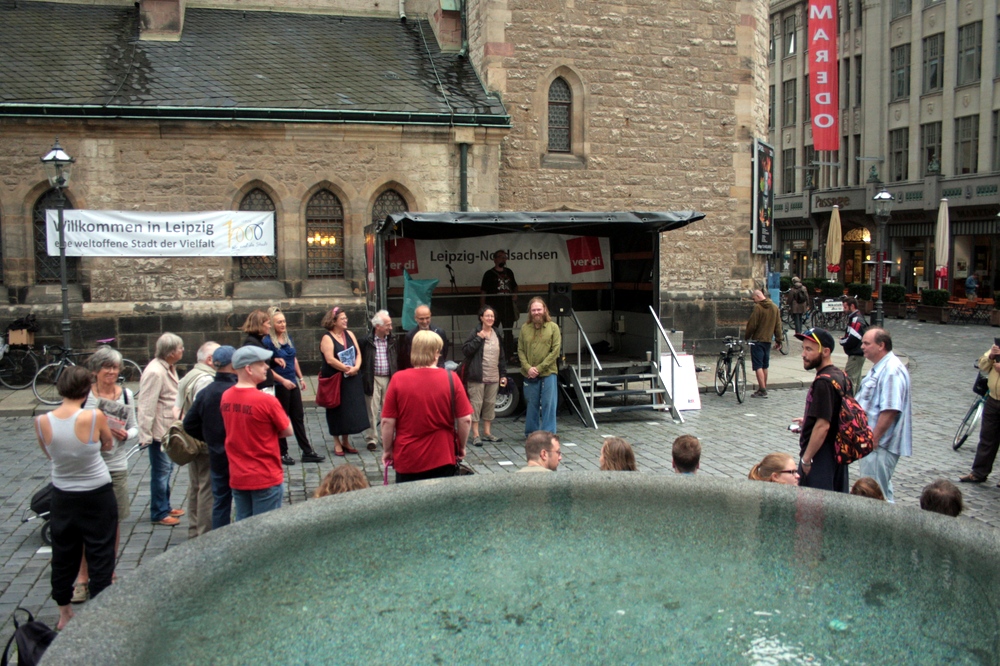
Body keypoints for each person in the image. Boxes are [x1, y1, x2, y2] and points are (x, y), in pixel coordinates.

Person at [35, 366, 115, 631]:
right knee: (100, 550)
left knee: (63, 553)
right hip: (97, 492)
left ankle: (64, 612)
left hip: (63, 493)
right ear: (86, 390)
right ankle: (101, 611)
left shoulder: (42, 421)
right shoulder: (94, 416)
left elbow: (50, 454)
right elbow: (108, 444)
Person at [73, 347, 138, 604]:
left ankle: (109, 572)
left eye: (115, 368)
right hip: (89, 466)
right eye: (106, 368)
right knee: (85, 524)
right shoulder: (85, 396)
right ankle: (82, 578)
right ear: (95, 371)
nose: (111, 372)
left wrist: (126, 435)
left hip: (116, 464)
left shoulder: (126, 394)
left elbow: (135, 428)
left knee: (114, 521)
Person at [381, 330, 472, 483]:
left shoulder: (398, 379)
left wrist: (387, 450)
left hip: (408, 457)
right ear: (436, 352)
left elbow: (387, 422)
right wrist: (461, 446)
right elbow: (465, 420)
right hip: (442, 455)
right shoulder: (451, 379)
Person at [220, 346, 293, 521]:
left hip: (238, 474)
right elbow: (287, 430)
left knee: (243, 525)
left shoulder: (226, 396)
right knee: (265, 531)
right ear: (248, 368)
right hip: (264, 474)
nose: (267, 367)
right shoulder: (266, 400)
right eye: (262, 364)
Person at [184, 345, 239, 529]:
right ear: (233, 364)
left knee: (220, 502)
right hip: (237, 455)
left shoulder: (206, 392)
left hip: (216, 454)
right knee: (242, 503)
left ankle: (217, 542)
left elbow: (189, 424)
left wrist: (209, 437)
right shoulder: (237, 391)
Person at [855, 328, 911, 503]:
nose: (862, 346)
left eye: (866, 343)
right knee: (882, 490)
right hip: (876, 443)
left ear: (881, 345)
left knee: (874, 494)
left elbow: (891, 409)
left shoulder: (891, 370)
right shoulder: (881, 367)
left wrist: (874, 438)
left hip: (880, 445)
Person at [263, 308, 325, 465]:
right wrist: (282, 380)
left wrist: (301, 377)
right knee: (282, 418)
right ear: (272, 324)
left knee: (298, 417)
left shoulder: (287, 337)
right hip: (280, 383)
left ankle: (307, 451)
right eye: (279, 322)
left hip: (292, 381)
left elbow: (293, 358)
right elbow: (266, 367)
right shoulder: (267, 342)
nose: (283, 324)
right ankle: (282, 452)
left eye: (284, 321)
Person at [137, 332, 185, 526]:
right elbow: (146, 405)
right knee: (161, 472)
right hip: (159, 432)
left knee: (167, 470)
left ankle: (164, 505)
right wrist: (145, 434)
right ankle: (159, 511)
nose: (183, 350)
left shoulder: (168, 367)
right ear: (171, 352)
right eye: (180, 348)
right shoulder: (155, 372)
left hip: (168, 429)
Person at [793, 328, 849, 492]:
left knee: (814, 508)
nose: (803, 354)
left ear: (825, 351)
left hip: (822, 456)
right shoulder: (840, 375)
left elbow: (823, 426)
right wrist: (809, 420)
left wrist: (806, 459)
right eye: (803, 348)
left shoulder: (823, 382)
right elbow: (834, 414)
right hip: (837, 453)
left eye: (809, 349)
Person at [173, 341, 217, 538]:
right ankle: (203, 533)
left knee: (196, 486)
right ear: (209, 360)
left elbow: (177, 408)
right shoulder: (206, 380)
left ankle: (194, 529)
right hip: (202, 441)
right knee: (206, 488)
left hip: (193, 440)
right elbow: (205, 413)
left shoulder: (190, 374)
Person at [319, 307, 368, 456]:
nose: (346, 320)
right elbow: (330, 359)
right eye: (343, 319)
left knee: (349, 409)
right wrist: (346, 368)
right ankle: (336, 442)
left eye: (346, 318)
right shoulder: (327, 338)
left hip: (351, 378)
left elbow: (358, 353)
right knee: (336, 409)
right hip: (336, 379)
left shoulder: (350, 334)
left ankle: (346, 440)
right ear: (334, 321)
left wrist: (356, 367)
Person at [462, 305, 507, 447]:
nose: (490, 318)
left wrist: (503, 374)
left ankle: (487, 433)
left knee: (489, 404)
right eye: (487, 316)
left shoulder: (497, 333)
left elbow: (502, 356)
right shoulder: (476, 332)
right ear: (481, 318)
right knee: (476, 405)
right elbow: (466, 350)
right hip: (477, 376)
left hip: (493, 376)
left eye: (492, 316)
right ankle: (475, 435)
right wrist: (479, 338)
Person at [518, 297, 561, 436]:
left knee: (549, 404)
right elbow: (520, 350)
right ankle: (532, 434)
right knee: (532, 404)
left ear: (544, 310)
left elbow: (555, 351)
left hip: (548, 372)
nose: (536, 312)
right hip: (529, 373)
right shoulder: (525, 328)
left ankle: (548, 434)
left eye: (539, 309)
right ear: (530, 311)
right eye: (534, 310)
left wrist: (540, 368)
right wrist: (528, 368)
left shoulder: (553, 327)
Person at [961, 342, 1000, 485]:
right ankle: (979, 473)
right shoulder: (998, 345)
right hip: (993, 398)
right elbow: (982, 365)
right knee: (987, 437)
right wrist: (991, 356)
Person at [360, 310, 398, 452]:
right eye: (387, 325)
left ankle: (387, 437)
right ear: (378, 326)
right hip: (373, 377)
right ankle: (372, 438)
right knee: (372, 408)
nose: (390, 328)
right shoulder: (366, 341)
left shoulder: (392, 340)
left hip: (389, 377)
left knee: (388, 410)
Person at [241, 309, 294, 398]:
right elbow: (254, 366)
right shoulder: (252, 343)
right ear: (260, 325)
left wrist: (273, 360)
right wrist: (282, 380)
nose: (270, 326)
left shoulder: (259, 341)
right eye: (268, 323)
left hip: (265, 385)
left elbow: (262, 362)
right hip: (261, 387)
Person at [480, 249, 518, 359]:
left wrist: (515, 294)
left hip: (508, 307)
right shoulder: (488, 274)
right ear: (495, 259)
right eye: (501, 256)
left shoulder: (509, 272)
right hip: (493, 308)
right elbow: (483, 292)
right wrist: (483, 309)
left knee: (508, 332)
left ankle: (509, 355)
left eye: (505, 257)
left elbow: (515, 286)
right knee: (492, 331)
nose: (503, 259)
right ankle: (493, 354)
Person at [744, 289, 782, 398]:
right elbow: (778, 326)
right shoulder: (775, 307)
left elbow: (752, 325)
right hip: (768, 341)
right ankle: (763, 386)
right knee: (765, 365)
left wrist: (747, 337)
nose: (754, 301)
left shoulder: (758, 308)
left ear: (758, 296)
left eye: (754, 298)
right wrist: (779, 340)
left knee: (758, 365)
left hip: (758, 341)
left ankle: (762, 389)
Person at [398, 304, 449, 371]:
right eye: (421, 319)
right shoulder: (410, 335)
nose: (425, 321)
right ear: (415, 318)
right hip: (417, 371)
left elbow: (444, 352)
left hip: (437, 370)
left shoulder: (439, 332)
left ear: (431, 316)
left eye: (427, 318)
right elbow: (407, 357)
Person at [839, 297, 867, 394]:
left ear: (852, 306)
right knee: (856, 381)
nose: (844, 309)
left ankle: (851, 404)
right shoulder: (855, 318)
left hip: (856, 354)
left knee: (850, 381)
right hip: (858, 354)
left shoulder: (856, 319)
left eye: (845, 307)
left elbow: (853, 339)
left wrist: (842, 341)